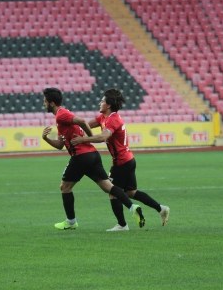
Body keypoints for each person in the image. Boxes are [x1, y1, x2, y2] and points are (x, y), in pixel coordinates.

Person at [41, 88, 145, 231]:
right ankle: (133, 207)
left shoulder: (61, 115)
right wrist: (45, 138)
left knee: (64, 187)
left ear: (51, 103)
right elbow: (60, 145)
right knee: (108, 187)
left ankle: (71, 221)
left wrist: (86, 137)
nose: (43, 103)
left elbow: (82, 121)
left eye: (45, 101)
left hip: (81, 156)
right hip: (92, 156)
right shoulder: (61, 119)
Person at [71, 89, 170, 230]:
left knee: (112, 193)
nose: (100, 102)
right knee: (131, 192)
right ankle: (161, 208)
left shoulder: (113, 119)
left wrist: (83, 139)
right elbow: (85, 125)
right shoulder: (103, 117)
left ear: (109, 104)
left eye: (103, 101)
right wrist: (71, 125)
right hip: (128, 160)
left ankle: (122, 225)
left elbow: (102, 137)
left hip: (122, 162)